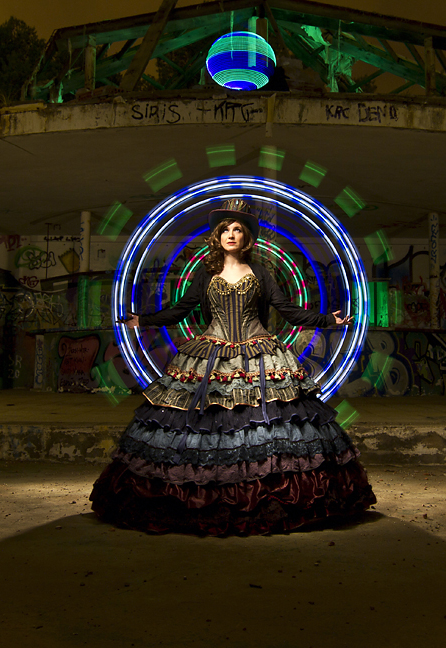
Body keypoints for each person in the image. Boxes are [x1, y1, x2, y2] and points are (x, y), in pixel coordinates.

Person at [90, 198, 376, 535]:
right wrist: (143, 320)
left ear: (247, 238)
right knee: (205, 424)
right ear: (217, 236)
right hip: (212, 351)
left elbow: (287, 310)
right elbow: (181, 309)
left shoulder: (261, 273)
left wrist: (328, 320)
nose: (230, 234)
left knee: (267, 423)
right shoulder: (206, 274)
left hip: (258, 351)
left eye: (237, 229)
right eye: (225, 229)